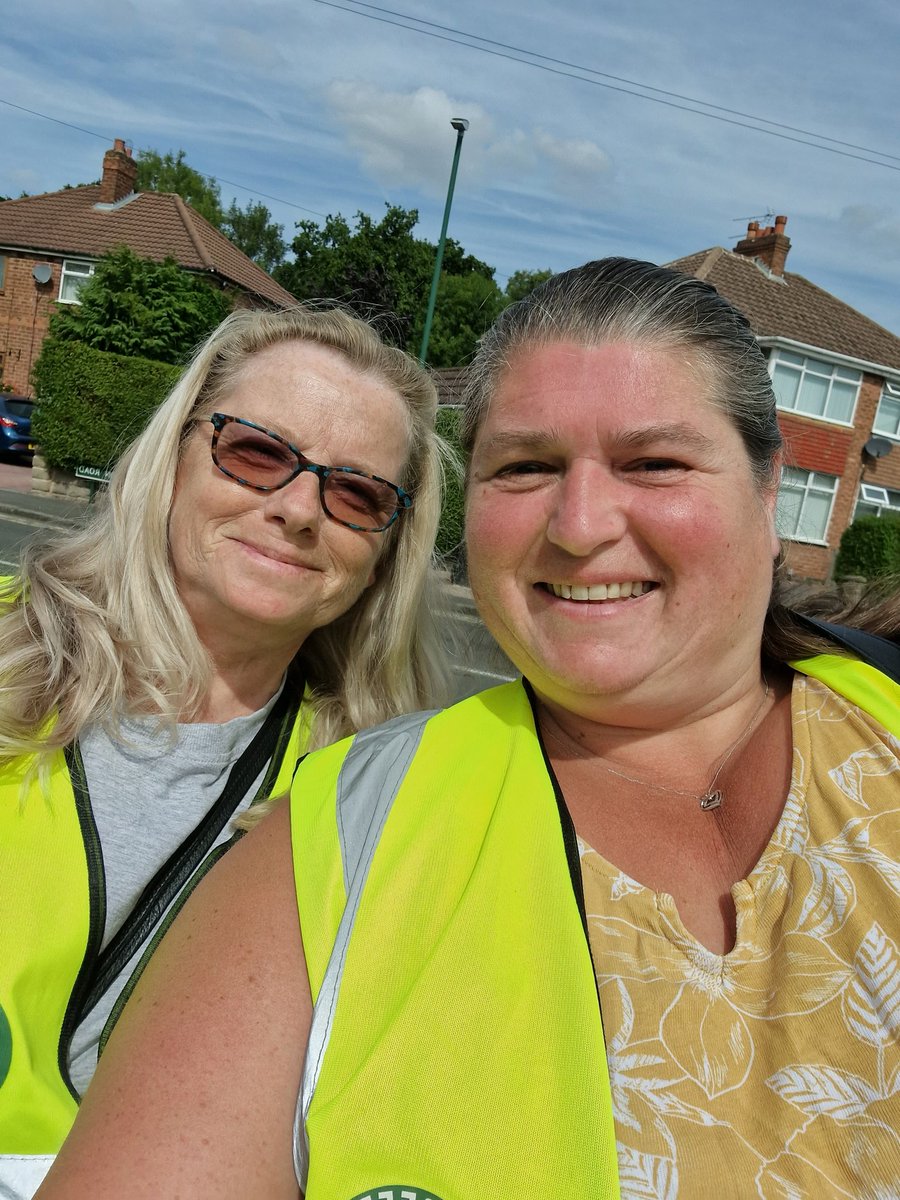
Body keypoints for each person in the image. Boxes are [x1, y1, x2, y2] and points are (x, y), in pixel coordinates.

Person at [36, 260, 900, 1200]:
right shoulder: (345, 827)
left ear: (770, 490)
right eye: (526, 466)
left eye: (654, 462)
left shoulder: (335, 750)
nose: (578, 525)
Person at [0, 304, 452, 1199]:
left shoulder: (366, 800)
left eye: (357, 494)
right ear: (175, 452)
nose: (296, 511)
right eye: (256, 452)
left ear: (385, 551)